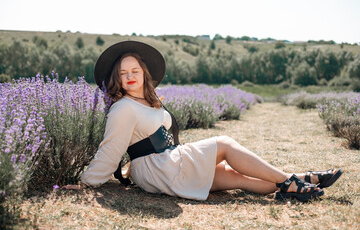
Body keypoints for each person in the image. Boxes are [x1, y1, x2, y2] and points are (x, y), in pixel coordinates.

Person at [62, 41, 343, 202]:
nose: (130, 76)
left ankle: (300, 182)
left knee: (236, 179)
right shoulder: (123, 107)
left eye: (135, 70)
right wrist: (88, 183)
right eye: (123, 73)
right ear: (117, 79)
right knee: (224, 144)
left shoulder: (149, 101)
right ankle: (293, 180)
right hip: (158, 170)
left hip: (169, 163)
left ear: (144, 73)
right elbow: (110, 149)